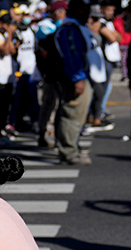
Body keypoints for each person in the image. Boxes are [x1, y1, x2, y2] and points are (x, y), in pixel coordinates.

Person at [53, 0, 94, 165]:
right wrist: (78, 78)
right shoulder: (69, 29)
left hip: (76, 77)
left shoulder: (71, 27)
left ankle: (71, 147)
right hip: (74, 78)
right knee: (72, 113)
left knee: (74, 113)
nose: (88, 14)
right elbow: (72, 55)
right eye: (85, 10)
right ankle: (69, 151)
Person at [35, 0, 67, 147]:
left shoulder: (64, 25)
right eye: (60, 11)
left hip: (62, 71)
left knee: (61, 105)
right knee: (49, 103)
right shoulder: (44, 26)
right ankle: (42, 133)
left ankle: (59, 136)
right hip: (49, 72)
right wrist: (61, 27)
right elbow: (50, 42)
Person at [0, 13, 18, 145]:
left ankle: (0, 131)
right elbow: (5, 50)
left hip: (8, 77)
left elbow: (13, 51)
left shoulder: (3, 36)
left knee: (5, 107)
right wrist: (10, 35)